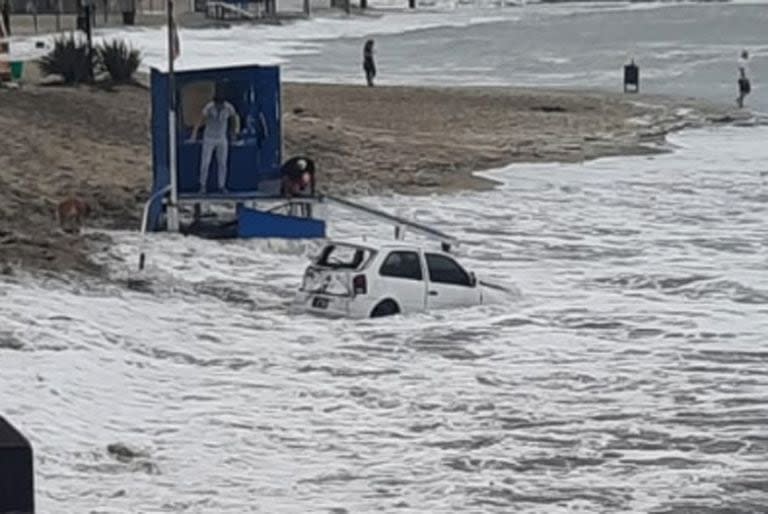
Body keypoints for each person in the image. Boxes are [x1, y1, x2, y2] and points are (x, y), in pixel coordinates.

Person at [190, 88, 240, 193]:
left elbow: (234, 118)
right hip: (209, 138)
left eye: (220, 104)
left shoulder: (228, 108)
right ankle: (202, 185)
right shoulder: (209, 108)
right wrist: (195, 133)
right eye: (217, 104)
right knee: (205, 162)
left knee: (222, 163)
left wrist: (233, 133)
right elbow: (200, 119)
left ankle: (222, 186)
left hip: (221, 137)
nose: (219, 106)